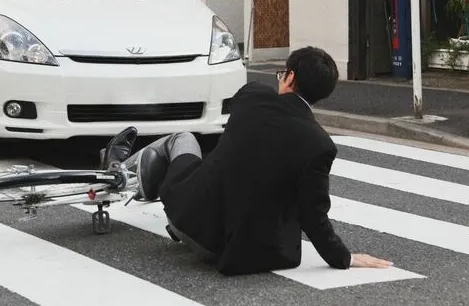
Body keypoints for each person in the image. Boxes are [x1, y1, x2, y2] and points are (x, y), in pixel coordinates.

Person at [99, 46, 393, 275]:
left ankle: (117, 168)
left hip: (188, 218)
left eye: (282, 74)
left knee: (183, 139)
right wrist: (344, 257)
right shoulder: (319, 144)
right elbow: (313, 216)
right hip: (243, 253)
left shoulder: (253, 96)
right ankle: (131, 176)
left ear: (289, 76)